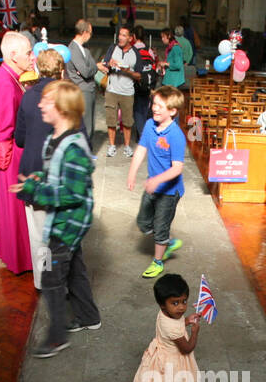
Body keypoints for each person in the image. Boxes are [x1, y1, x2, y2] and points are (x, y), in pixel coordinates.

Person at [14, 80, 101, 359]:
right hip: (63, 221)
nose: (40, 103)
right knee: (74, 268)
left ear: (62, 109)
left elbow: (72, 193)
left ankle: (56, 337)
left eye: (47, 101)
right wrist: (39, 178)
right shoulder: (55, 138)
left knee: (52, 275)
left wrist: (36, 189)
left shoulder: (73, 147)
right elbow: (56, 176)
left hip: (67, 224)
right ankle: (89, 317)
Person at [16, 48, 70, 281]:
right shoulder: (66, 97)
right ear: (61, 71)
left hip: (33, 173)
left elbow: (19, 138)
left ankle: (43, 279)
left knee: (39, 232)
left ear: (38, 68)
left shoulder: (28, 96)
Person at [128, 85, 187, 279]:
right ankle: (167, 242)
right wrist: (132, 172)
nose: (155, 108)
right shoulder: (149, 126)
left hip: (169, 192)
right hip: (153, 185)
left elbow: (177, 168)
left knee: (161, 227)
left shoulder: (176, 135)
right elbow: (141, 150)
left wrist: (157, 180)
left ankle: (158, 261)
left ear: (172, 111)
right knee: (143, 223)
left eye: (160, 106)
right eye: (154, 104)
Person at [134, 273, 201, 382]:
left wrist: (186, 320)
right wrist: (194, 332)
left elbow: (176, 323)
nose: (181, 308)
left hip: (160, 357)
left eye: (184, 301)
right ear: (162, 304)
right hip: (172, 363)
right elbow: (187, 348)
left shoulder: (165, 313)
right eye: (175, 303)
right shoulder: (172, 328)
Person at [0, 31, 35, 274]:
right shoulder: (4, 80)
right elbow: (6, 126)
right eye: (28, 52)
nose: (32, 57)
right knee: (16, 207)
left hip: (18, 147)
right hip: (12, 152)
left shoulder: (14, 76)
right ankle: (19, 258)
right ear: (12, 55)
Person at [98, 25, 139, 158]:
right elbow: (104, 65)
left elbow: (139, 75)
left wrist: (128, 71)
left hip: (127, 92)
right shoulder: (112, 48)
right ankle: (112, 145)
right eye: (120, 35)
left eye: (124, 35)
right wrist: (109, 64)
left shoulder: (135, 53)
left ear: (130, 38)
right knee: (111, 120)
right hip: (112, 90)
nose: (120, 38)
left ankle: (127, 146)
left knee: (127, 121)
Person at [65, 20, 98, 147]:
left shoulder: (85, 49)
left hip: (89, 88)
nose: (91, 35)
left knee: (90, 121)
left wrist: (92, 67)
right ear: (84, 33)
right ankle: (84, 150)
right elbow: (86, 71)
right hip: (82, 90)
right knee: (86, 124)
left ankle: (87, 148)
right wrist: (94, 67)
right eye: (90, 33)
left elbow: (90, 66)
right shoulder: (73, 49)